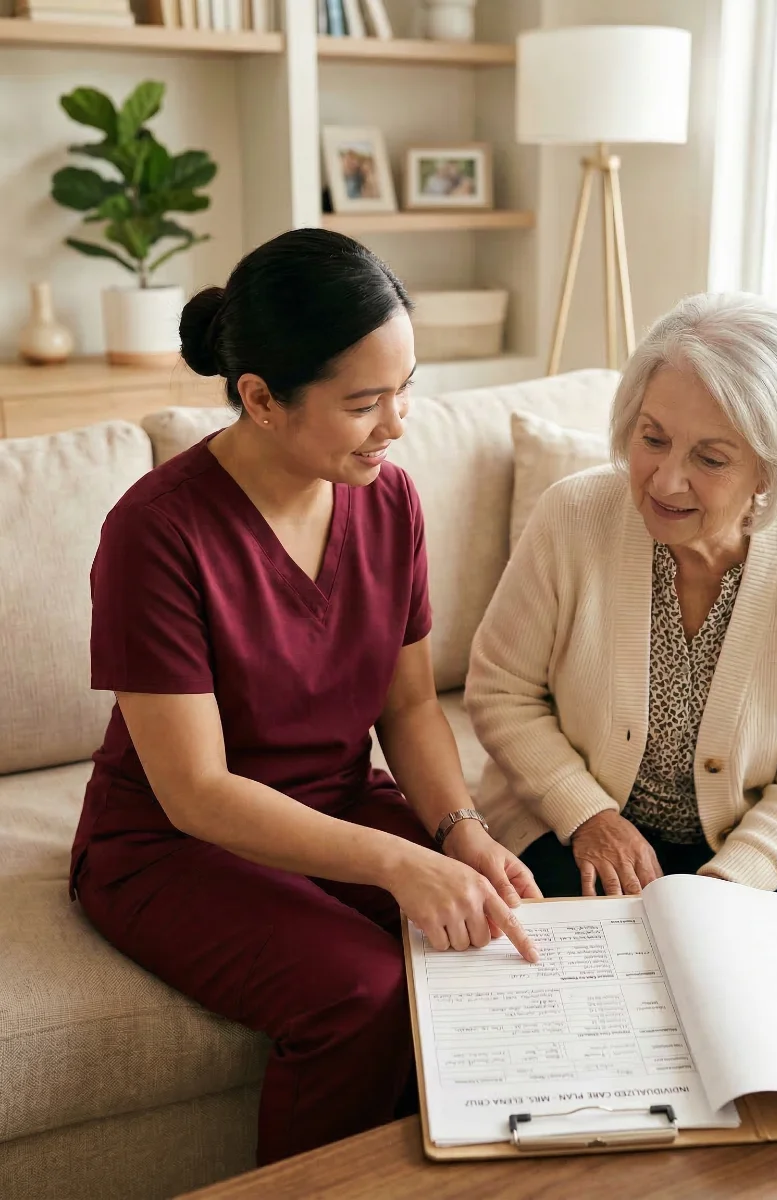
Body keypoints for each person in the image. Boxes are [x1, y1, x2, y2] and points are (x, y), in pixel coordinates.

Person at [69, 228, 540, 1168]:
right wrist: (397, 866)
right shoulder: (156, 533)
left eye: (405, 388)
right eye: (365, 402)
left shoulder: (391, 499)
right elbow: (195, 792)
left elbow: (407, 708)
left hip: (333, 804)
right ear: (260, 398)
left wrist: (457, 831)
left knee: (507, 932)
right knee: (360, 993)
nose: (397, 423)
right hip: (169, 846)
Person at [465, 292, 777, 900]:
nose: (666, 480)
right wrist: (589, 814)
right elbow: (502, 690)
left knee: (753, 980)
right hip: (570, 824)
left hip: (757, 847)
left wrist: (728, 884)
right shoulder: (571, 516)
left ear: (769, 470)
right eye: (652, 439)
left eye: (710, 458)